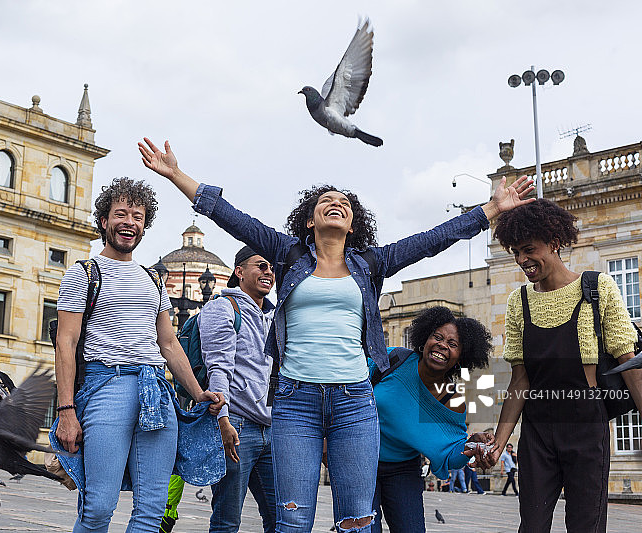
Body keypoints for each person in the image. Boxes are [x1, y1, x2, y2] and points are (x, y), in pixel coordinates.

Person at [139, 137, 533, 533]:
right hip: (295, 401)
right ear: (310, 220)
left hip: (354, 403)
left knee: (357, 521)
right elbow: (230, 216)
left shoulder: (370, 263)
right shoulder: (287, 253)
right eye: (326, 199)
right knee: (291, 519)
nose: (337, 202)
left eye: (345, 202)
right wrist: (175, 174)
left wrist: (492, 210)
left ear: (352, 222)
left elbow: (430, 241)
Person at [54, 177, 225, 533]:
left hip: (156, 390)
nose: (129, 221)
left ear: (144, 226)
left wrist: (197, 393)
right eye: (121, 213)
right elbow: (65, 343)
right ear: (104, 221)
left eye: (137, 215)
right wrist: (66, 410)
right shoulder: (83, 273)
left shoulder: (153, 279)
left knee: (152, 509)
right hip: (106, 386)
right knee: (98, 507)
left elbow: (169, 344)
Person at [477, 198, 642, 532]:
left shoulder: (596, 288)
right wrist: (497, 444)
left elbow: (630, 363)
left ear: (554, 242)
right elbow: (520, 381)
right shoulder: (518, 302)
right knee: (533, 525)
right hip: (538, 430)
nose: (522, 260)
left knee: (586, 524)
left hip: (586, 425)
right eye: (515, 253)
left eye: (528, 249)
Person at [372, 306, 494, 532]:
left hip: (402, 470)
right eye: (437, 337)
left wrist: (471, 443)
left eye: (453, 344)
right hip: (361, 461)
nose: (442, 345)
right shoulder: (393, 359)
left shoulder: (452, 400)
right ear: (424, 340)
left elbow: (450, 451)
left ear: (461, 358)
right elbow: (345, 391)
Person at [200, 246, 277, 533]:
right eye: (260, 266)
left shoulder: (273, 316)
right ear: (240, 271)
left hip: (270, 428)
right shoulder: (222, 307)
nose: (268, 272)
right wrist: (223, 419)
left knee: (284, 520)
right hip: (237, 427)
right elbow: (218, 367)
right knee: (227, 521)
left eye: (271, 268)